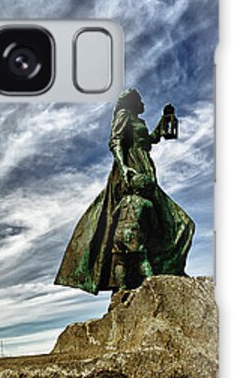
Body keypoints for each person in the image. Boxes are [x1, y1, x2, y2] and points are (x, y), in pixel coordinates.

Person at [54, 88, 195, 294]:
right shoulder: (123, 116)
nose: (143, 103)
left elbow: (150, 141)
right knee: (174, 222)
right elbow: (115, 141)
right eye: (140, 100)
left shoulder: (138, 121)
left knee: (165, 224)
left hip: (145, 170)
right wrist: (124, 167)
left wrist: (164, 122)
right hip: (131, 172)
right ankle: (141, 279)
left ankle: (167, 270)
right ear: (132, 102)